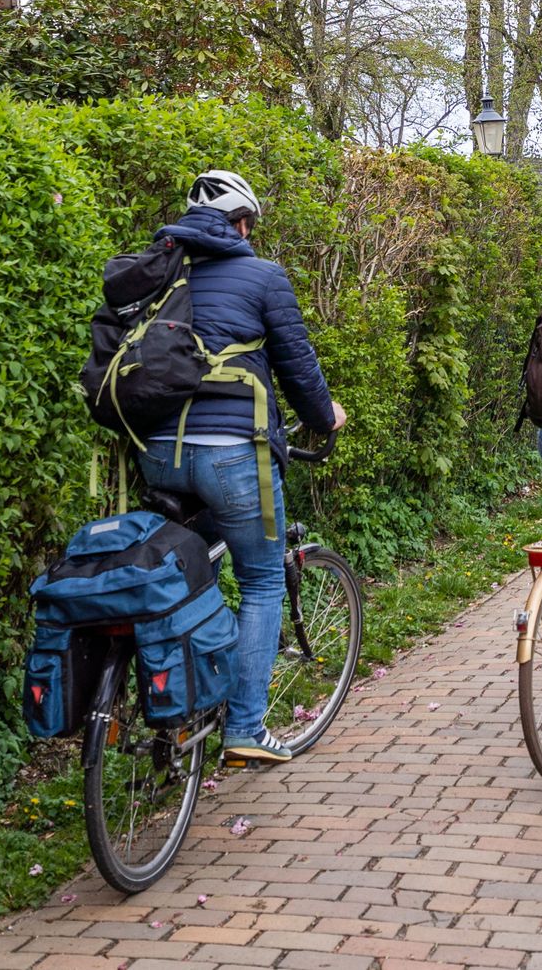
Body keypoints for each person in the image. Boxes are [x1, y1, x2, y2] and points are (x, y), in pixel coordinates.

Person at [137, 169, 344, 767]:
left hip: (157, 451)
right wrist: (326, 417)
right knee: (260, 579)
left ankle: (178, 708)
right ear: (243, 224)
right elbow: (297, 366)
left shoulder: (159, 276)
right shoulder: (262, 276)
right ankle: (245, 726)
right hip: (232, 455)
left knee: (181, 573)